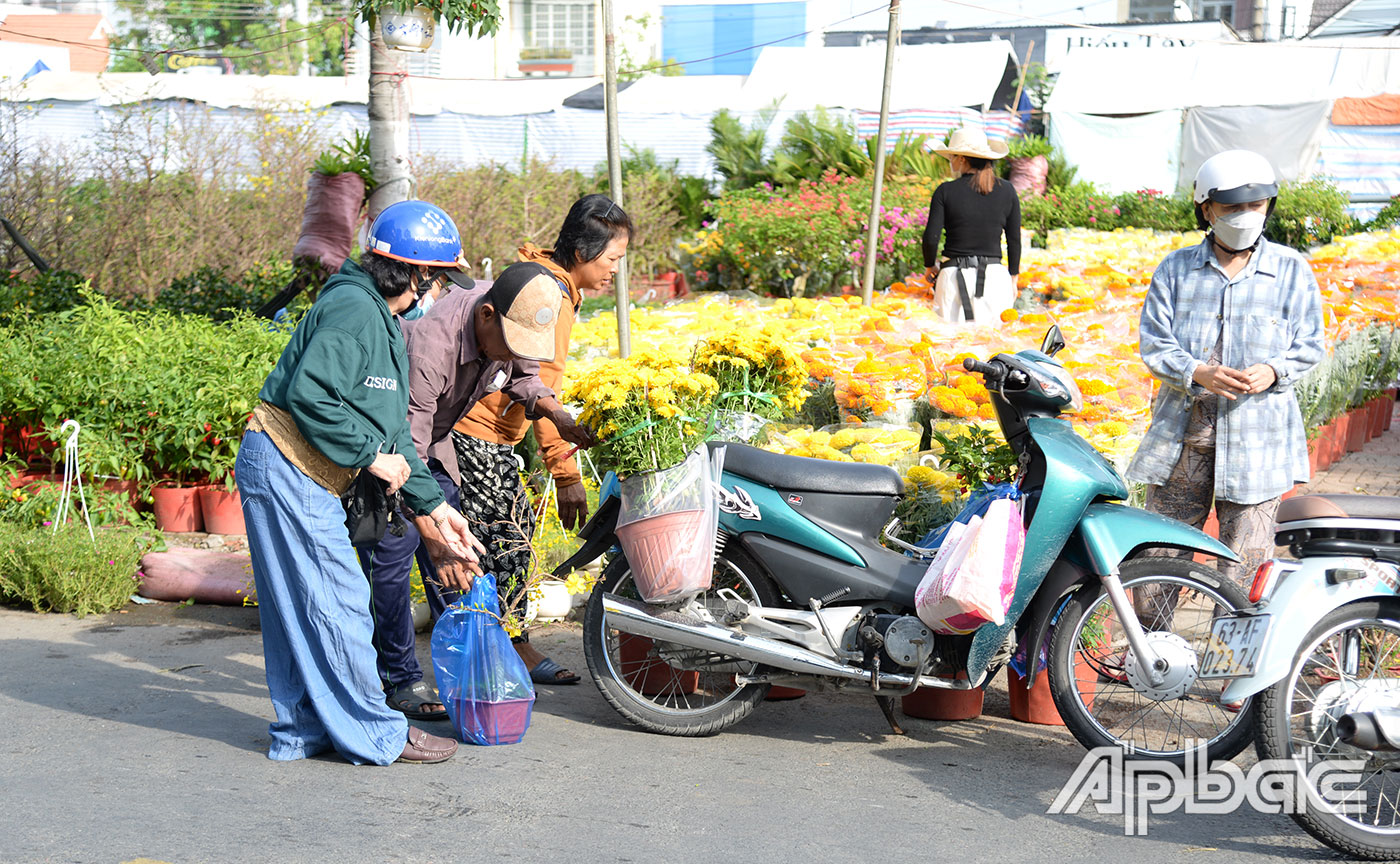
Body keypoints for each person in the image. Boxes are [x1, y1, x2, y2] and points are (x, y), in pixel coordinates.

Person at [235, 199, 487, 766]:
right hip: (287, 466)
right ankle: (378, 732)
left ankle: (305, 730)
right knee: (341, 601)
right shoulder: (353, 308)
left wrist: (435, 509)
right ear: (419, 275)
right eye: (443, 281)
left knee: (301, 608)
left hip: (293, 468)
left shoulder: (381, 317)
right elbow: (311, 394)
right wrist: (369, 455)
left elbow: (393, 429)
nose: (443, 295)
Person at [357, 259, 597, 719]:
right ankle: (398, 680)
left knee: (461, 558)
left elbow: (525, 379)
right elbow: (409, 446)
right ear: (486, 315)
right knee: (396, 551)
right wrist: (430, 528)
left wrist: (557, 416)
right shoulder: (432, 347)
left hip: (436, 445)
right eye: (508, 345)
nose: (511, 354)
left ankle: (468, 673)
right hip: (392, 448)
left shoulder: (519, 315)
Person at [453, 194, 632, 686]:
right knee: (506, 541)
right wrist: (566, 473)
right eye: (613, 259)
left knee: (500, 540)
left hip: (488, 430)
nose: (616, 271)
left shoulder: (550, 283)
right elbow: (542, 392)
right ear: (582, 252)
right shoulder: (548, 295)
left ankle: (497, 647)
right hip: (477, 430)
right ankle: (509, 649)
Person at [1127, 149, 1325, 591]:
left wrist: (1274, 370)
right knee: (1159, 558)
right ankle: (1153, 655)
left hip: (1259, 444)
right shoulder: (1176, 271)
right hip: (1183, 442)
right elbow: (1154, 342)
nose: (1245, 216)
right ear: (1206, 208)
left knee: (1245, 565)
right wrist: (1197, 371)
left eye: (1254, 205)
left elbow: (1311, 343)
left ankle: (1231, 658)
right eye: (1232, 206)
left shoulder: (1291, 271)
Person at [921, 127, 1022, 324]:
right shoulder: (1007, 190)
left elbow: (931, 237)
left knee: (950, 342)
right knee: (995, 345)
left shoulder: (945, 191)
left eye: (952, 156)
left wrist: (929, 266)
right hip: (995, 276)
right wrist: (1014, 277)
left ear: (962, 159)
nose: (950, 160)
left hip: (953, 275)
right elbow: (1014, 239)